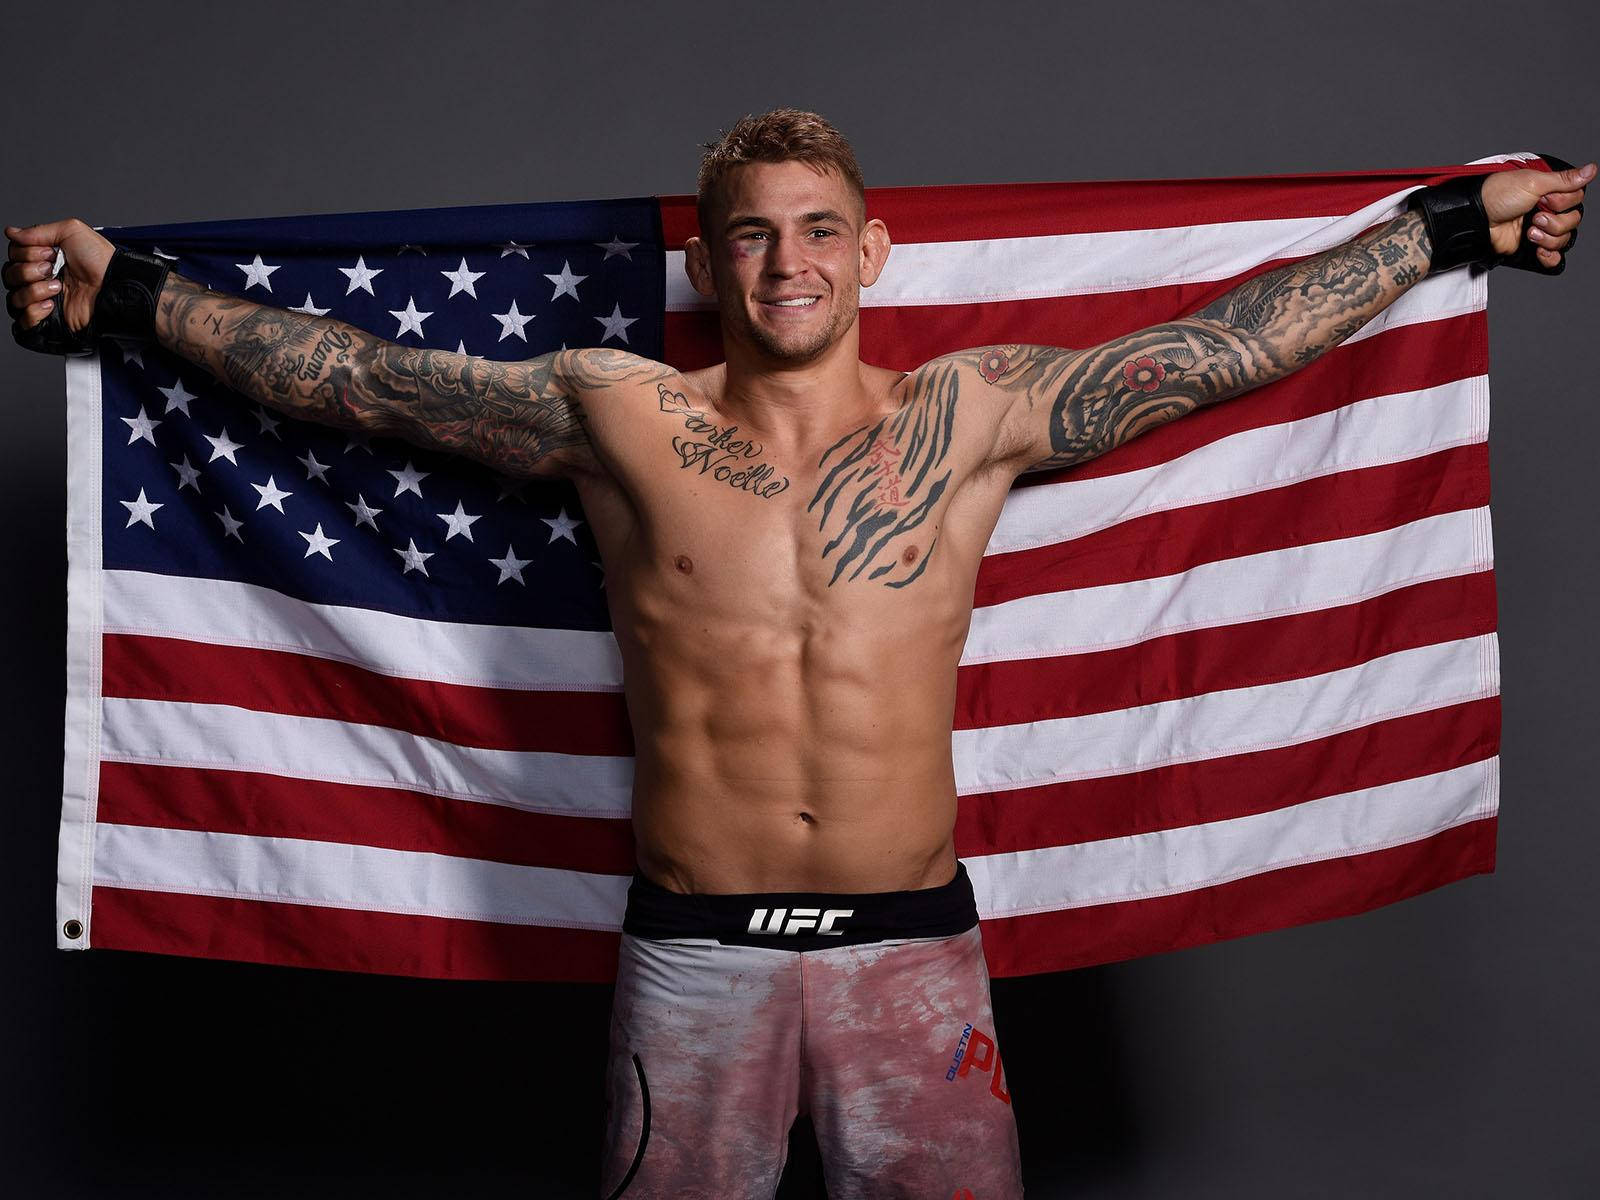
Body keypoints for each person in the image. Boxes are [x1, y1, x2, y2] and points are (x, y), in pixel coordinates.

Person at [7, 109, 1589, 1198]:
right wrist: (131, 294)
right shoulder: (622, 416)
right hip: (696, 961)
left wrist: (1445, 229)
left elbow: (1218, 352)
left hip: (915, 951)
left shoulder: (968, 416)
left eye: (819, 232)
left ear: (874, 250)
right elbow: (351, 378)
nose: (786, 266)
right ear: (706, 261)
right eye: (751, 238)